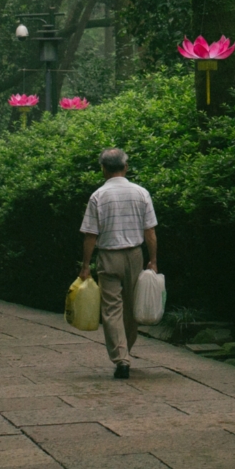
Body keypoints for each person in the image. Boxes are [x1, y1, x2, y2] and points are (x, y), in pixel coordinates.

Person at [78, 147, 158, 379]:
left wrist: (86, 265)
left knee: (111, 309)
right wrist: (152, 261)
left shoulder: (98, 196)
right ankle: (126, 352)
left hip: (108, 256)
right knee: (132, 309)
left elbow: (90, 235)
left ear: (103, 169)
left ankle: (121, 357)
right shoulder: (141, 193)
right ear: (126, 167)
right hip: (135, 255)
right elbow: (150, 231)